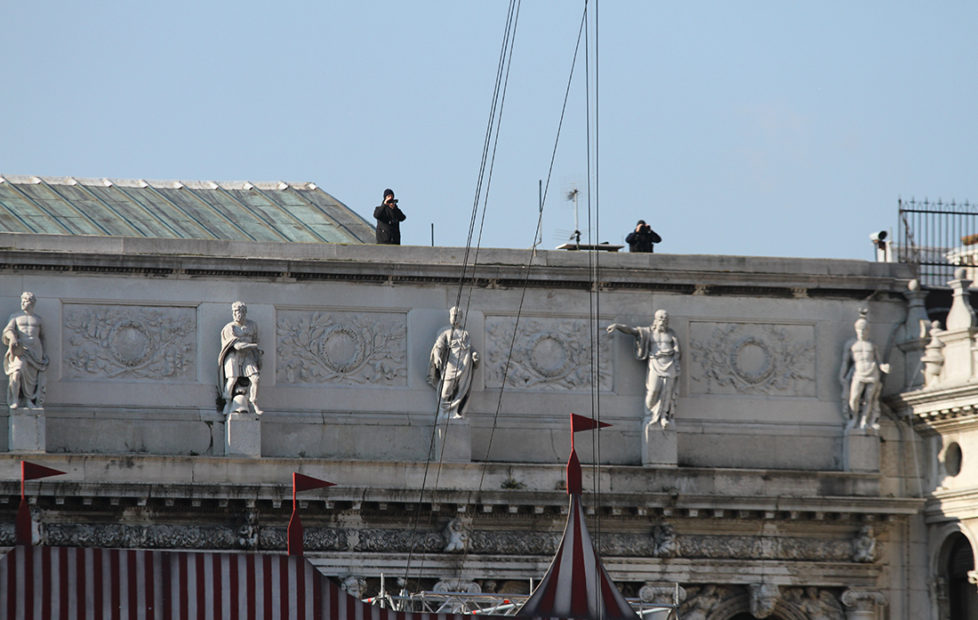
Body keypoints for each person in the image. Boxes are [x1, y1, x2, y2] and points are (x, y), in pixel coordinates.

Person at [606, 309, 680, 427]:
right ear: (655, 320)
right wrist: (617, 326)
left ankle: (663, 416)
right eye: (660, 318)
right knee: (653, 391)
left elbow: (677, 349)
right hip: (655, 364)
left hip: (669, 365)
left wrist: (674, 355)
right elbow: (632, 331)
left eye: (665, 318)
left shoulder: (671, 333)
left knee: (667, 392)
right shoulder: (648, 332)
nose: (663, 320)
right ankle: (650, 415)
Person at [839, 311, 889, 431]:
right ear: (856, 330)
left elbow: (879, 361)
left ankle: (864, 420)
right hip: (858, 373)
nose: (861, 332)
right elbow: (845, 362)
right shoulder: (851, 344)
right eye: (859, 330)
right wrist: (842, 376)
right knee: (854, 398)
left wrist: (884, 367)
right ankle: (854, 418)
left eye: (864, 330)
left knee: (869, 399)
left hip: (872, 372)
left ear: (867, 330)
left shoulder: (872, 345)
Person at [427, 306, 479, 419]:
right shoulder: (445, 332)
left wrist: (475, 355)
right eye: (453, 316)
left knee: (461, 388)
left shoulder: (465, 333)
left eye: (457, 316)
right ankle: (444, 411)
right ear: (449, 317)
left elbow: (470, 348)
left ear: (461, 318)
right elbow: (438, 347)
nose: (455, 318)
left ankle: (456, 412)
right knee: (446, 389)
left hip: (465, 362)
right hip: (451, 362)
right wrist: (436, 357)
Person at [3, 291, 48, 409]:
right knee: (16, 373)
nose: (23, 303)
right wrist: (12, 338)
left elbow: (43, 337)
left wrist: (45, 353)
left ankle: (28, 400)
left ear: (32, 303)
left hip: (35, 350)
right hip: (21, 350)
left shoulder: (38, 319)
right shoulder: (15, 316)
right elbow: (7, 331)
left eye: (26, 300)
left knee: (32, 378)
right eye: (22, 300)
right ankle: (15, 400)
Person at [218, 301, 263, 415]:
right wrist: (253, 346)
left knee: (255, 379)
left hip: (248, 355)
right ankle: (227, 402)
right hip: (234, 355)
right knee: (232, 379)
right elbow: (237, 346)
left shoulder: (252, 325)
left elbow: (256, 339)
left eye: (240, 312)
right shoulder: (229, 328)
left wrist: (257, 352)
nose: (237, 315)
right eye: (235, 312)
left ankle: (253, 402)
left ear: (245, 313)